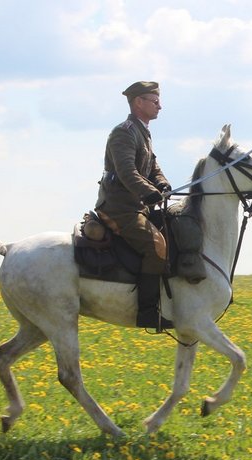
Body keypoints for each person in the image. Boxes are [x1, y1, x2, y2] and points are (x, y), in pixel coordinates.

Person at [95, 81, 172, 329]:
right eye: (155, 101)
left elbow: (153, 167)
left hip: (137, 206)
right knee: (157, 246)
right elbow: (127, 172)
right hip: (119, 208)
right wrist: (150, 193)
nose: (160, 105)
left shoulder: (143, 132)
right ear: (139, 102)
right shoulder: (124, 132)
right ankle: (147, 312)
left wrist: (162, 184)